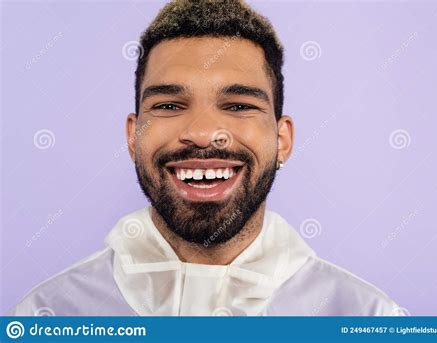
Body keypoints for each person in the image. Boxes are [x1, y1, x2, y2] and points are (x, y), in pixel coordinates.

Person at [9, 0, 403, 316]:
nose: (202, 133)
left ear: (282, 140)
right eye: (168, 105)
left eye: (237, 105)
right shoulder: (46, 316)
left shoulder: (367, 318)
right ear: (133, 136)